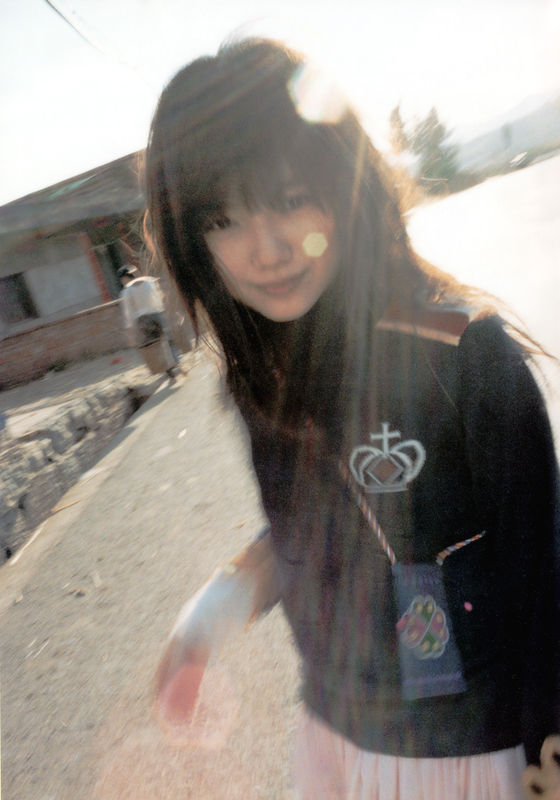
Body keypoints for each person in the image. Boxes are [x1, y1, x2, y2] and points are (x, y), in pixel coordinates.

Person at [145, 39, 560, 799]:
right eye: (224, 218)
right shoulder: (263, 378)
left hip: (478, 758)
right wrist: (206, 623)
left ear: (346, 184)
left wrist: (548, 770)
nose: (267, 249)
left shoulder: (466, 355)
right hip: (337, 747)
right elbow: (308, 529)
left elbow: (548, 579)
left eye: (290, 197)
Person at [117, 265, 181, 380]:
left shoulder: (126, 291)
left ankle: (167, 369)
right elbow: (159, 297)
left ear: (125, 277)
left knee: (154, 345)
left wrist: (130, 328)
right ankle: (175, 362)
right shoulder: (149, 281)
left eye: (122, 279)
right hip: (157, 314)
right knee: (166, 340)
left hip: (142, 320)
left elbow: (128, 312)